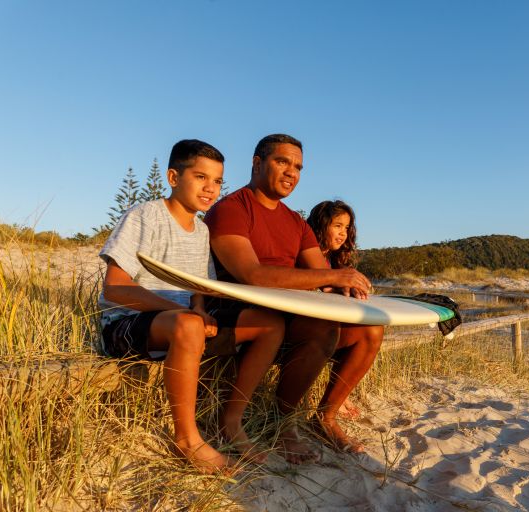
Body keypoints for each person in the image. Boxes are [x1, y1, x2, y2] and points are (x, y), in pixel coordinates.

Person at [99, 139, 284, 474]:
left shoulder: (201, 230)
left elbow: (198, 287)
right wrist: (183, 313)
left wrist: (198, 308)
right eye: (201, 177)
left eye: (217, 181)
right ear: (173, 177)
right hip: (128, 325)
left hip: (184, 324)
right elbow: (115, 289)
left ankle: (231, 420)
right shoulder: (144, 216)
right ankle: (186, 440)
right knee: (188, 325)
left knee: (269, 324)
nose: (210, 188)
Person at [204, 134, 373, 463]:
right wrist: (332, 277)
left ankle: (326, 418)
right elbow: (250, 274)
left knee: (369, 330)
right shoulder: (232, 209)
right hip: (241, 312)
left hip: (288, 311)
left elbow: (319, 272)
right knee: (321, 327)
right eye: (282, 162)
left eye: (298, 167)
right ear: (257, 163)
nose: (291, 172)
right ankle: (283, 426)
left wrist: (347, 286)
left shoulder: (295, 221)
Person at [306, 200, 384, 453]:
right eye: (337, 225)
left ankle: (329, 410)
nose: (343, 232)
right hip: (300, 331)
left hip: (327, 329)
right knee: (368, 330)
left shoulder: (335, 261)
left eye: (346, 227)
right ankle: (325, 418)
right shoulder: (305, 253)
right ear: (320, 225)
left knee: (373, 329)